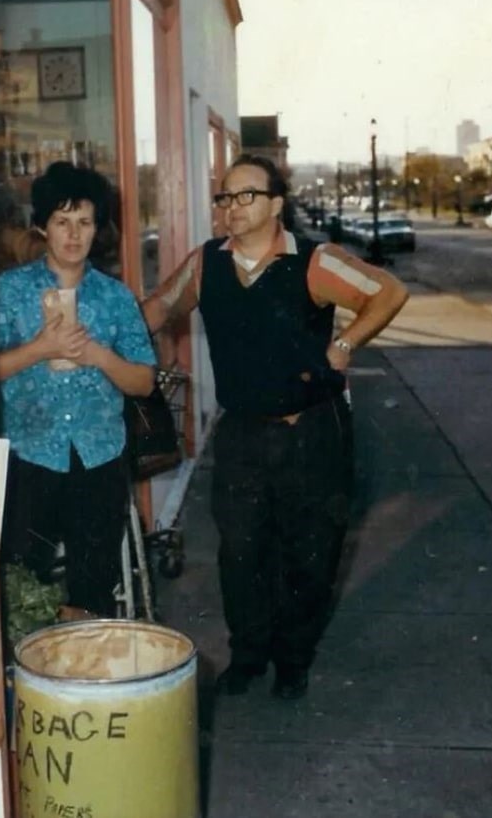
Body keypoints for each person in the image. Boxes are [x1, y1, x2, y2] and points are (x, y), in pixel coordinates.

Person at [143, 153, 408, 700]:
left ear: (276, 204)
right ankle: (248, 657)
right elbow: (155, 310)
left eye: (245, 196)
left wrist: (343, 343)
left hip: (312, 432)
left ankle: (293, 660)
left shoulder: (315, 261)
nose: (231, 208)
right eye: (224, 197)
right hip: (242, 433)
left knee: (309, 555)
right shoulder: (205, 265)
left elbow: (389, 293)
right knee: (240, 554)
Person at [0, 162, 155, 617]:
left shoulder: (115, 296)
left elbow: (143, 380)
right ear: (42, 226)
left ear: (97, 228)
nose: (74, 234)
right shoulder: (8, 290)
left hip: (98, 457)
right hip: (28, 456)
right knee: (22, 587)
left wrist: (99, 356)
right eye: (62, 221)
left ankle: (86, 676)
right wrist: (41, 348)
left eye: (85, 222)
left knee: (92, 588)